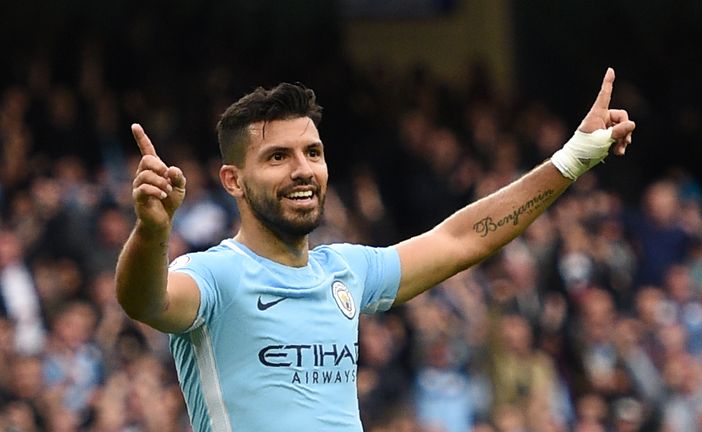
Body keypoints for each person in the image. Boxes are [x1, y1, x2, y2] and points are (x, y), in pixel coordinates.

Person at [115, 68, 635, 431]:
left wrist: (573, 158)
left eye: (312, 152)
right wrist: (153, 229)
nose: (303, 169)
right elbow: (145, 301)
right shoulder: (212, 276)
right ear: (233, 180)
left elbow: (460, 239)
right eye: (277, 156)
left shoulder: (345, 269)